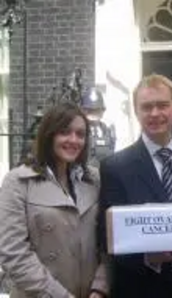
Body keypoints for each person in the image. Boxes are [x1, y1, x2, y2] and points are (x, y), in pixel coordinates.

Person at [97, 74, 172, 298]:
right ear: (136, 111)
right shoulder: (115, 167)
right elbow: (107, 235)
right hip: (141, 288)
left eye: (162, 105)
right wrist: (147, 256)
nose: (155, 114)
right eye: (147, 107)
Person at [0, 102, 108, 298]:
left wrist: (99, 289)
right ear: (49, 134)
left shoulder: (95, 180)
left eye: (80, 134)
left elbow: (107, 243)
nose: (74, 140)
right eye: (65, 132)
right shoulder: (17, 182)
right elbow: (13, 253)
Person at [81, 87, 116, 167]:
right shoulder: (79, 130)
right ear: (83, 110)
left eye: (96, 110)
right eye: (90, 110)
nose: (93, 113)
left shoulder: (108, 130)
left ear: (102, 111)